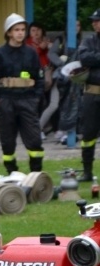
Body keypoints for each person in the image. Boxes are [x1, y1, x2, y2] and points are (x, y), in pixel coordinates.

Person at [0, 13, 45, 174]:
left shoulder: (31, 53)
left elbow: (39, 78)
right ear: (9, 32)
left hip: (27, 101)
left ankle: (36, 175)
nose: (20, 33)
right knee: (8, 142)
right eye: (16, 30)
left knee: (34, 140)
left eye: (23, 29)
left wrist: (36, 99)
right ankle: (12, 174)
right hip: (6, 102)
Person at [78, 10, 100, 182]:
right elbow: (84, 58)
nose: (94, 23)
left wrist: (95, 59)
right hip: (91, 94)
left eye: (97, 21)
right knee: (88, 135)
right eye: (93, 21)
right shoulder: (88, 41)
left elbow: (90, 59)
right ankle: (87, 171)